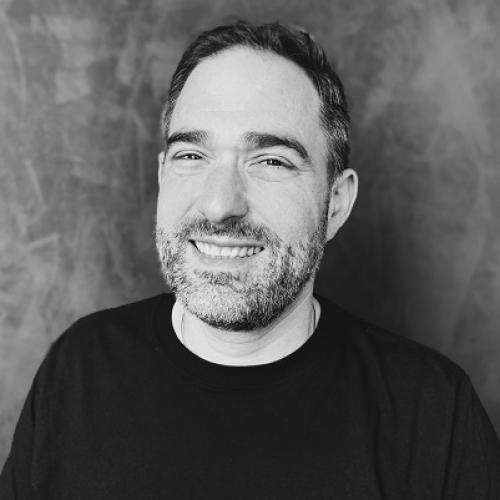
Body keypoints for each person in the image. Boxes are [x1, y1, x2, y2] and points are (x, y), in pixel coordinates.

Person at [1, 20, 499, 499]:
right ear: (162, 174)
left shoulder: (433, 413)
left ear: (335, 204)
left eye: (271, 161)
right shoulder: (78, 370)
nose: (220, 204)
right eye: (192, 155)